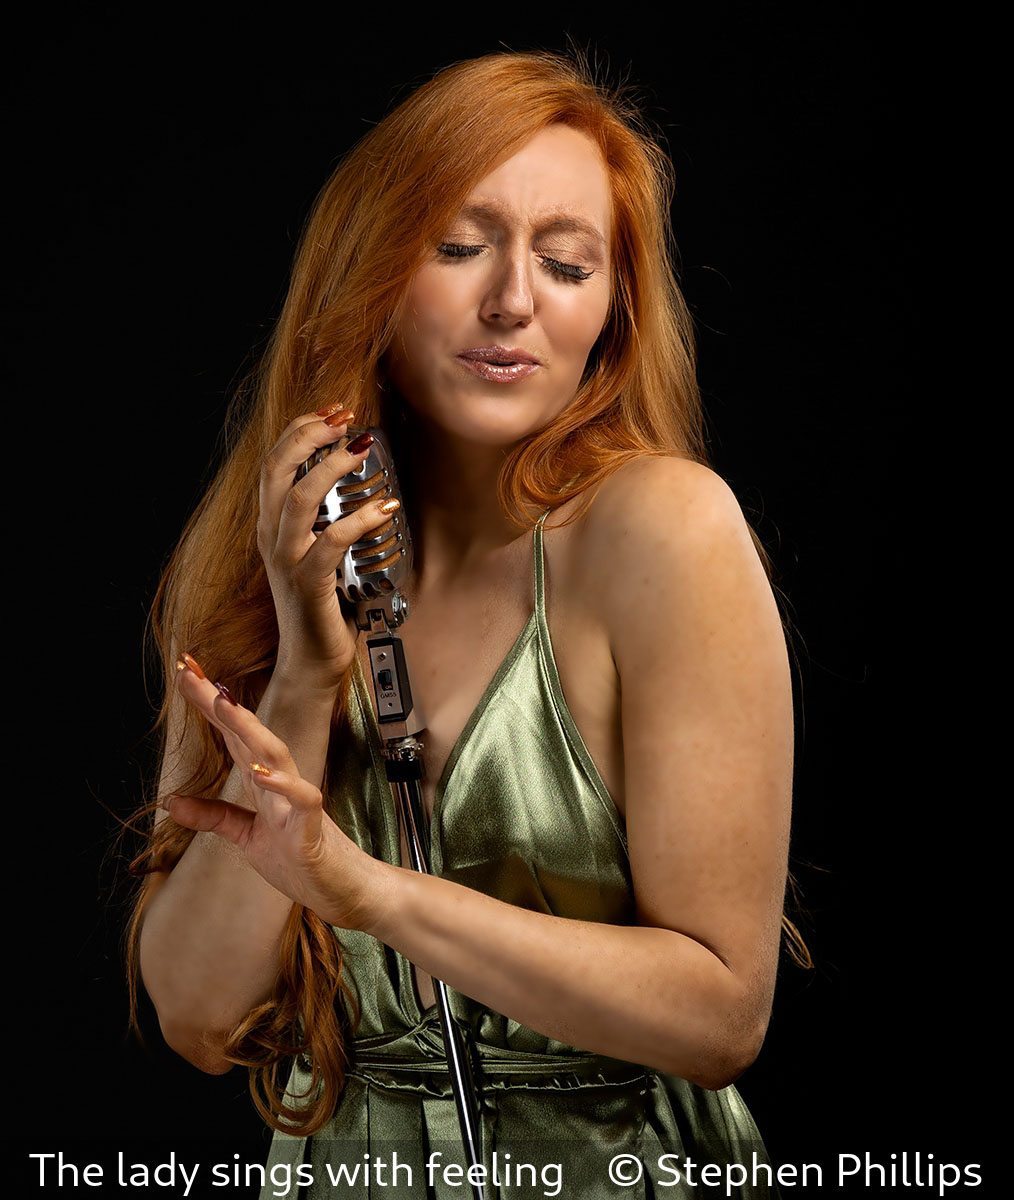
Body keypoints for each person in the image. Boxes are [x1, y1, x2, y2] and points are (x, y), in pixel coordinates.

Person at [130, 51, 795, 1199]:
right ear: (373, 272)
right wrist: (304, 678)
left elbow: (720, 1014)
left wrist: (369, 894)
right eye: (457, 247)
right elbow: (199, 1017)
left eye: (567, 262)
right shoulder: (267, 556)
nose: (514, 301)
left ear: (614, 311)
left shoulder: (663, 530)